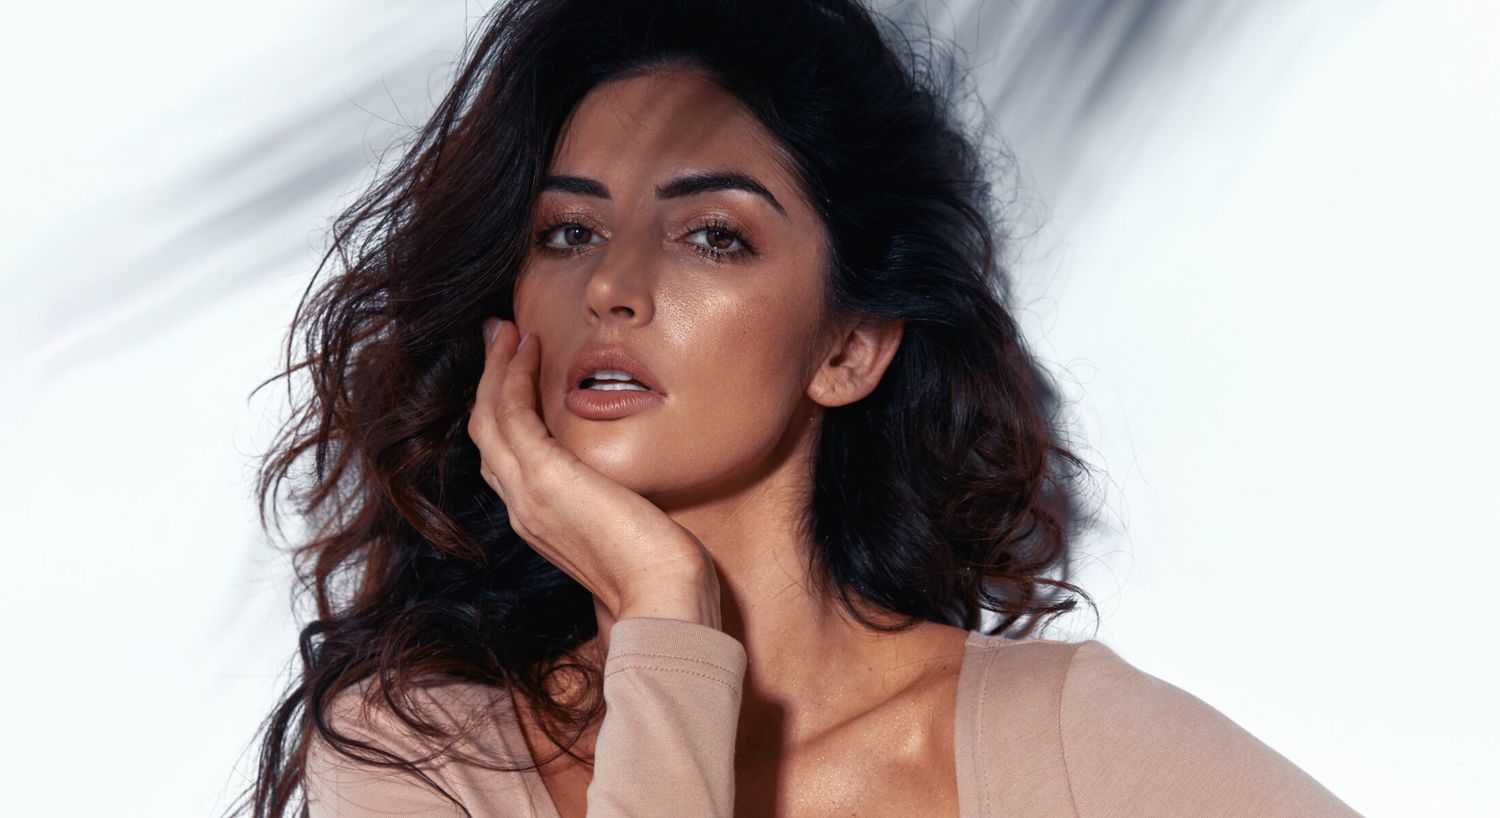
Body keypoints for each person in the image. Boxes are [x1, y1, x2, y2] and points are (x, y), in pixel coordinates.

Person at [237, 0, 1363, 816]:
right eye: (566, 232)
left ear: (850, 345)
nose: (611, 287)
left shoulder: (1064, 743)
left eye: (712, 234)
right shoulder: (429, 753)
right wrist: (663, 613)